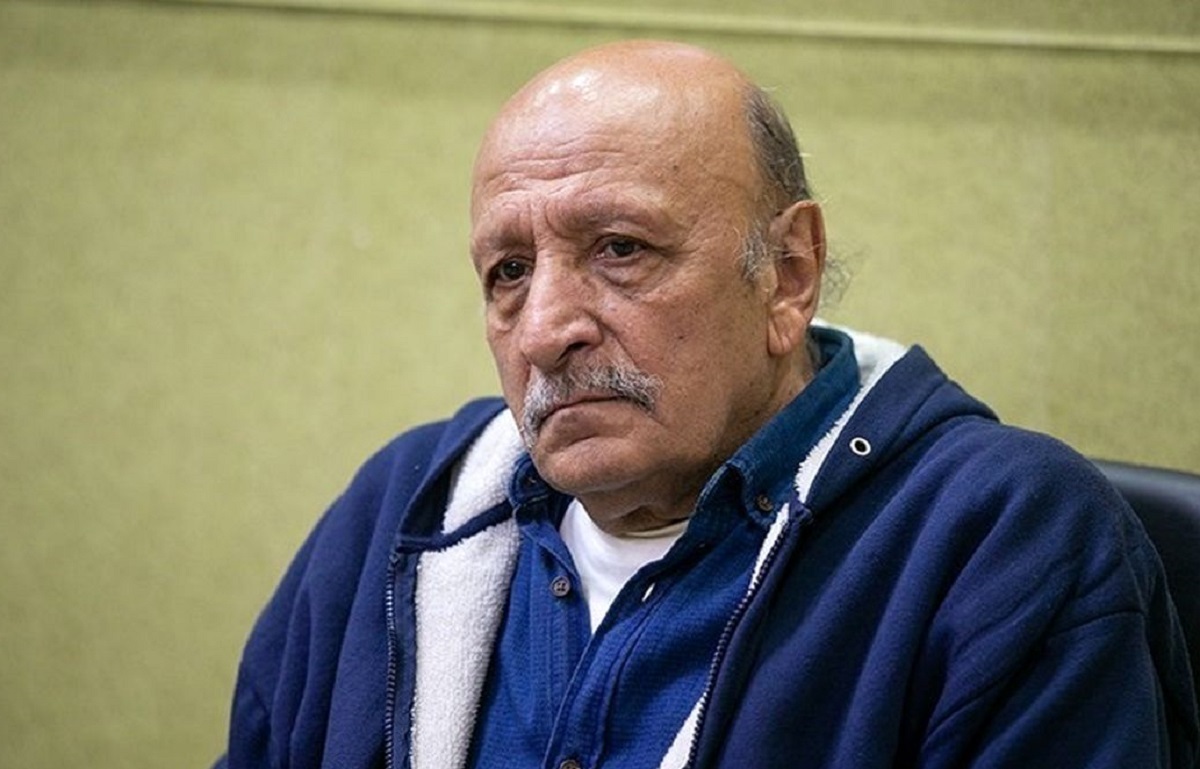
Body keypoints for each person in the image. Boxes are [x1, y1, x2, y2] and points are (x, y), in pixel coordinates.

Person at [214, 40, 1198, 769]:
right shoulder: (401, 513)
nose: (545, 329)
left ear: (788, 274)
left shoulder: (998, 540)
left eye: (620, 249)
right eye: (508, 270)